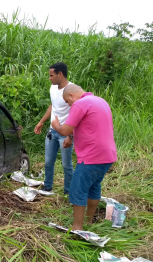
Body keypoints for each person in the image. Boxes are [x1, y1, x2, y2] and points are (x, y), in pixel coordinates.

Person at [51, 84, 117, 230]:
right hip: (108, 155)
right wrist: (71, 136)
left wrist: (56, 125)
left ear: (71, 96)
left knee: (77, 189)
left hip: (91, 155)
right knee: (94, 186)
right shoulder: (100, 101)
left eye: (68, 102)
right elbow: (90, 125)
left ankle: (77, 227)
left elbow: (64, 129)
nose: (69, 105)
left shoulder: (80, 104)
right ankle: (88, 222)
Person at [34, 62, 74, 194]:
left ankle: (68, 191)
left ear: (60, 74)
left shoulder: (71, 91)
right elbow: (52, 106)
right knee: (48, 162)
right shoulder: (53, 88)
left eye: (51, 75)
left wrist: (70, 136)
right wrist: (41, 122)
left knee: (66, 165)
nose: (49, 78)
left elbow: (76, 114)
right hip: (52, 131)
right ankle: (47, 186)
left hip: (65, 133)